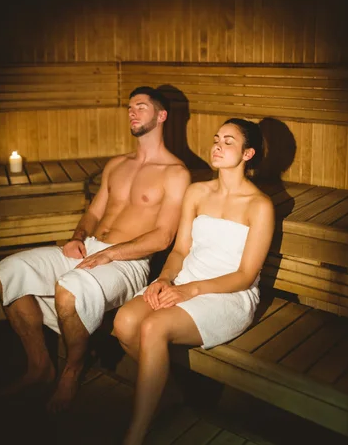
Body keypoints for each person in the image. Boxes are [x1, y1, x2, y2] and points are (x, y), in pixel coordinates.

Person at [0, 86, 191, 413]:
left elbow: (163, 236)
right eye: (130, 107)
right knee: (7, 271)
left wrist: (111, 254)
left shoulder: (176, 173)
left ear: (161, 115)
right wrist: (78, 236)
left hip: (128, 262)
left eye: (141, 107)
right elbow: (95, 211)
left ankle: (72, 370)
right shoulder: (117, 164)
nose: (132, 112)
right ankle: (39, 366)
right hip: (90, 248)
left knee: (69, 291)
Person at [113, 117, 275, 445]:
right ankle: (168, 392)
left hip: (228, 293)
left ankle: (136, 433)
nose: (217, 145)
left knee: (153, 327)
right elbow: (181, 249)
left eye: (228, 141)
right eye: (217, 139)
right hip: (186, 279)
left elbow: (245, 275)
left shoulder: (259, 206)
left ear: (248, 154)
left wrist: (191, 290)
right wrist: (164, 279)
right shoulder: (197, 192)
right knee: (125, 321)